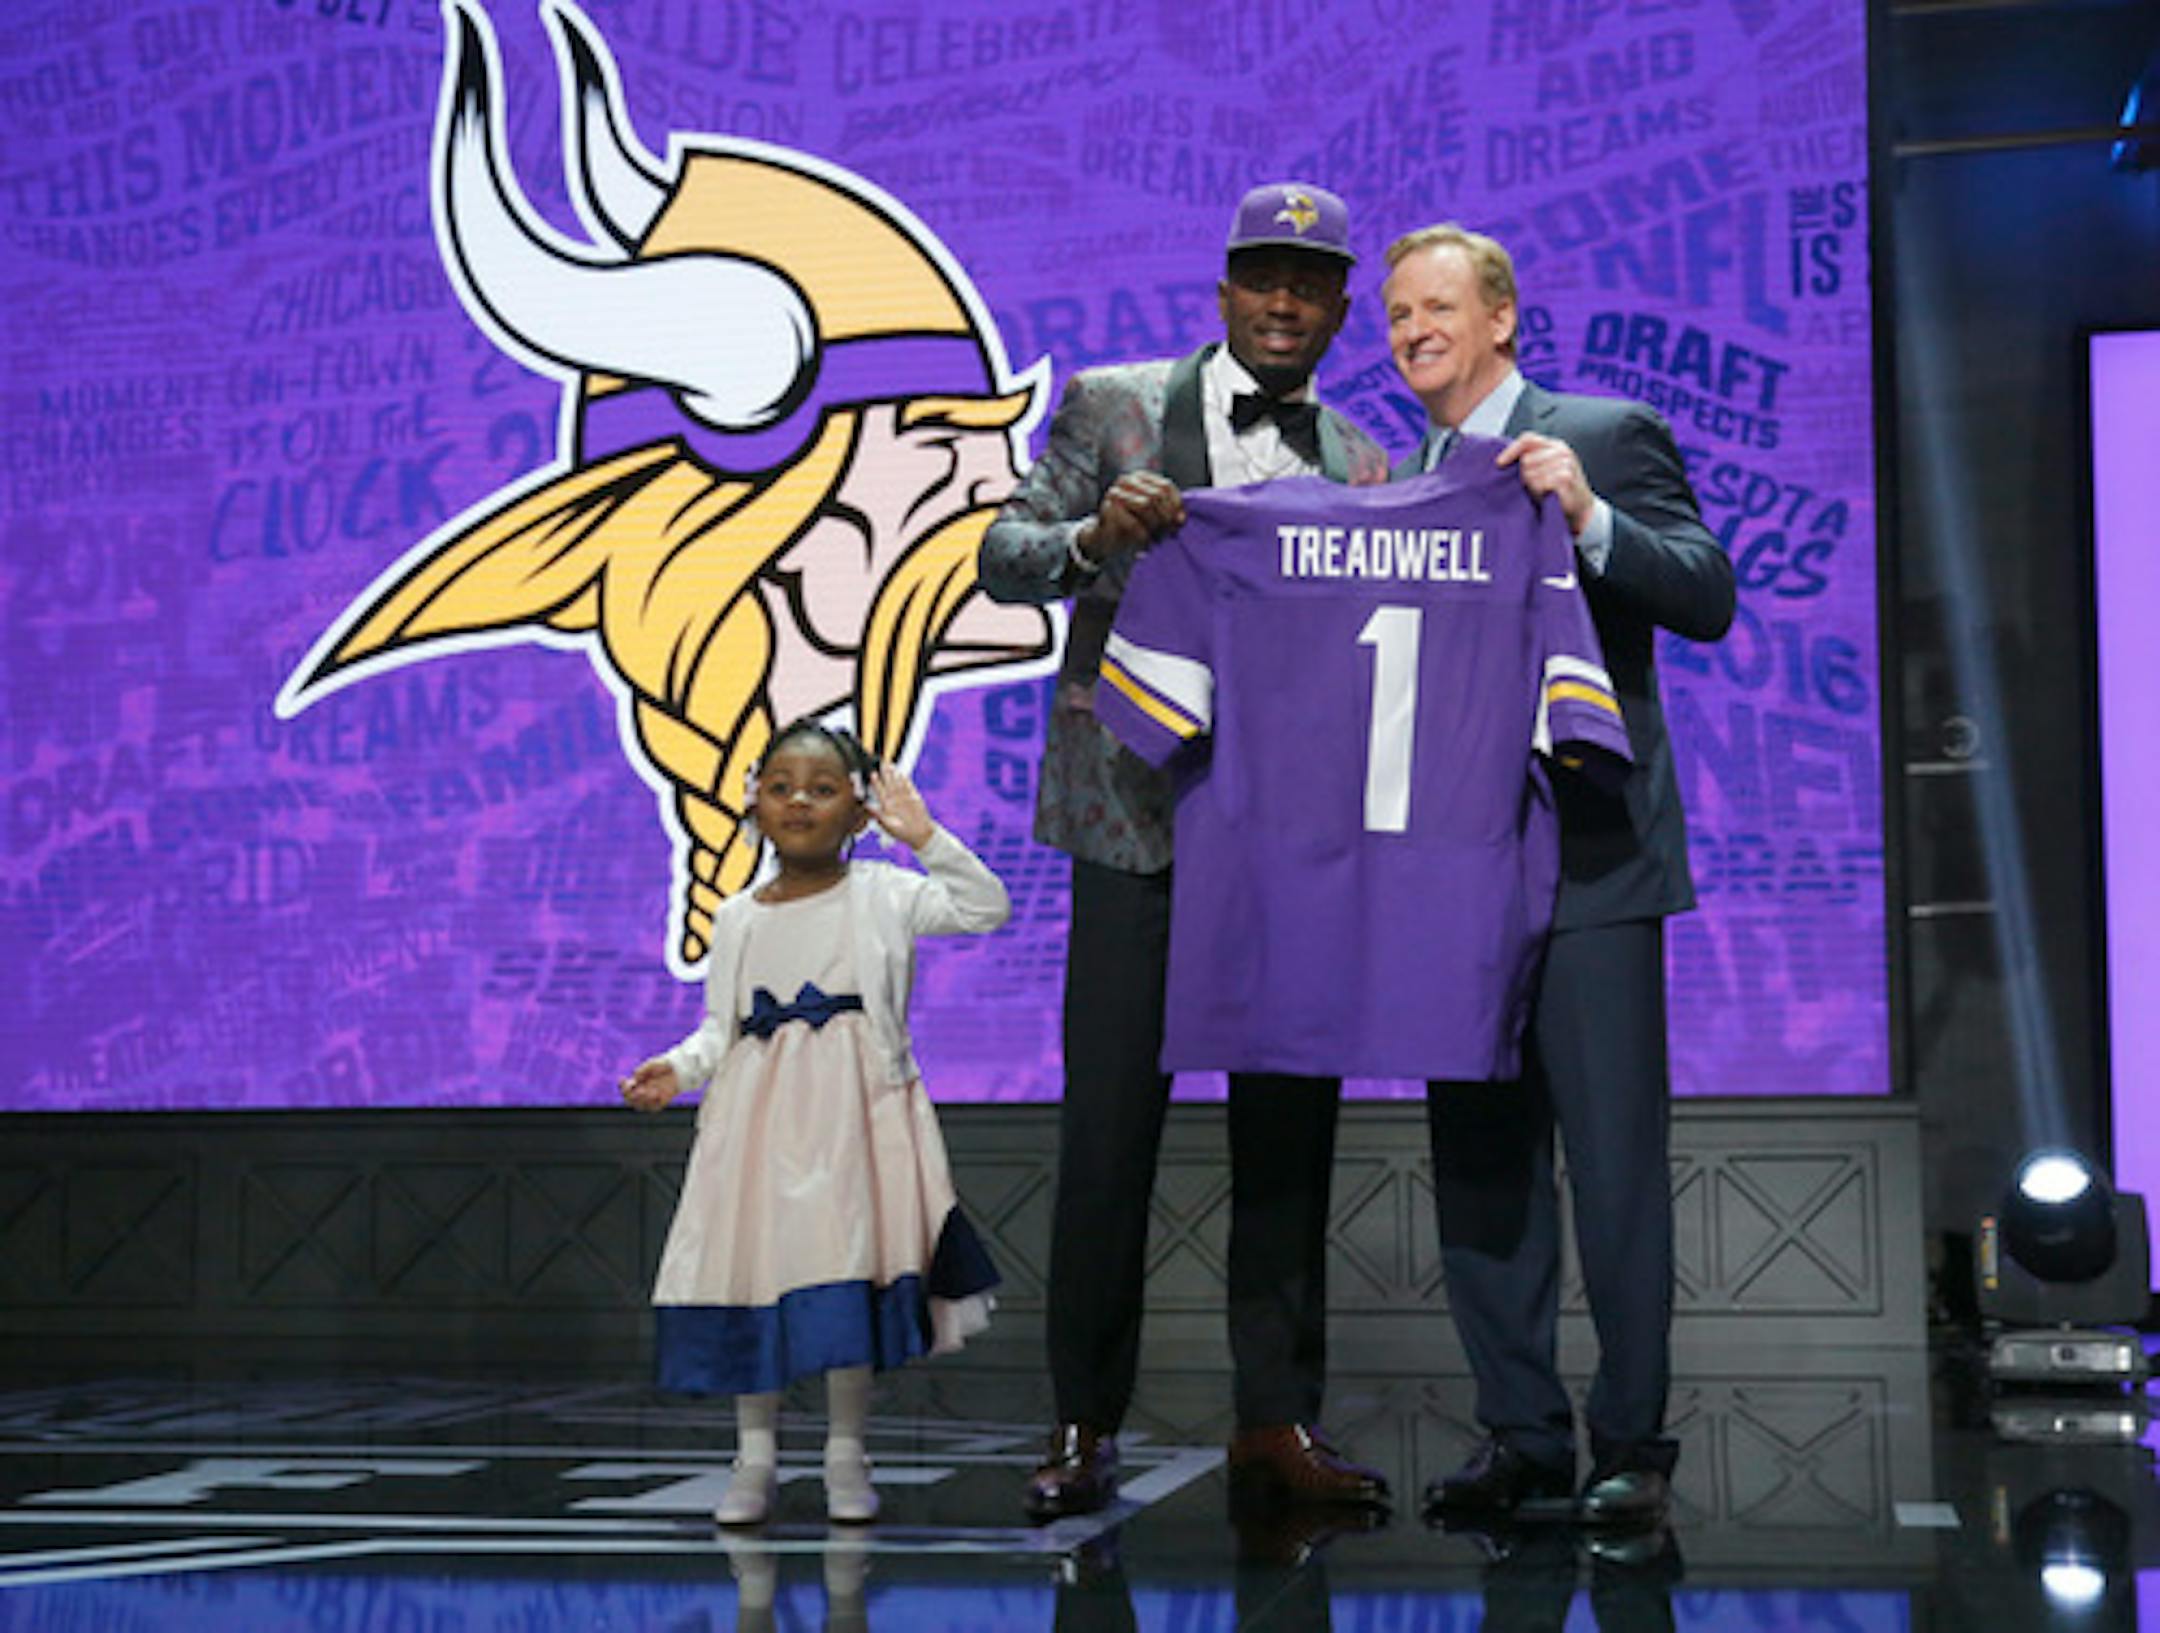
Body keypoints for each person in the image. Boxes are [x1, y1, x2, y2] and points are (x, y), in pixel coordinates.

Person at [980, 181, 1393, 1518]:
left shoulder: (1362, 461)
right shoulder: (1112, 404)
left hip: (1288, 843)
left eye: (1311, 282)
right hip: (1132, 823)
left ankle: (1275, 1421)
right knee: (1110, 1137)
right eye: (1262, 277)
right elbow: (1001, 555)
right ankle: (1081, 1426)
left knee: (1290, 1140)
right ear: (1223, 293)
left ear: (1338, 310)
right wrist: (1097, 532)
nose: (1284, 302)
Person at [1379, 224, 1736, 1529]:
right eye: (1400, 312)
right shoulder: (1400, 481)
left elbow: (1706, 594)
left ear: (1503, 319)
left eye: (1438, 307)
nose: (1414, 329)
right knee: (1479, 1166)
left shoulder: (1604, 430)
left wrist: (1587, 514)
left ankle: (1632, 1443)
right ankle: (1523, 1434)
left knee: (1616, 1163)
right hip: (1452, 882)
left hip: (1591, 866)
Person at [619, 719, 1008, 1527]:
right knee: (755, 1277)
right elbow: (720, 1031)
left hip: (854, 1120)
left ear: (859, 813)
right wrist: (679, 1068)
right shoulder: (736, 917)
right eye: (781, 786)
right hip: (756, 1126)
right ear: (754, 801)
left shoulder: (885, 894)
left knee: (842, 1275)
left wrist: (925, 836)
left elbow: (985, 907)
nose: (800, 801)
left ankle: (844, 1453)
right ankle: (753, 1459)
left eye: (824, 789)